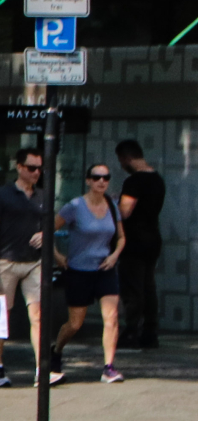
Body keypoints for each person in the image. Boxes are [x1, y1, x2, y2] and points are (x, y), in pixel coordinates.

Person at [51, 161, 125, 384]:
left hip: (105, 269)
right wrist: (57, 255)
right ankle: (56, 350)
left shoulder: (112, 205)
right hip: (79, 270)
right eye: (96, 177)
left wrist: (114, 256)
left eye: (106, 177)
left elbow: (121, 237)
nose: (101, 181)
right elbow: (48, 229)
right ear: (88, 180)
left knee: (111, 317)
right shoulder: (75, 206)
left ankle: (108, 367)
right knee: (75, 323)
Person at [0, 149, 46, 387]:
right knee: (1, 316)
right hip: (5, 261)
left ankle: (41, 369)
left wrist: (44, 234)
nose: (36, 173)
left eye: (39, 168)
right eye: (31, 168)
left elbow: (49, 223)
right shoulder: (2, 195)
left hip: (33, 262)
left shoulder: (42, 195)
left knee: (38, 315)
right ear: (19, 167)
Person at [115, 139, 166, 350]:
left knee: (132, 288)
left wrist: (114, 204)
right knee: (148, 286)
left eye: (121, 160)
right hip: (153, 238)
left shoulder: (134, 181)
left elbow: (125, 211)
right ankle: (150, 331)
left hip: (134, 240)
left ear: (127, 157)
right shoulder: (157, 179)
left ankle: (131, 331)